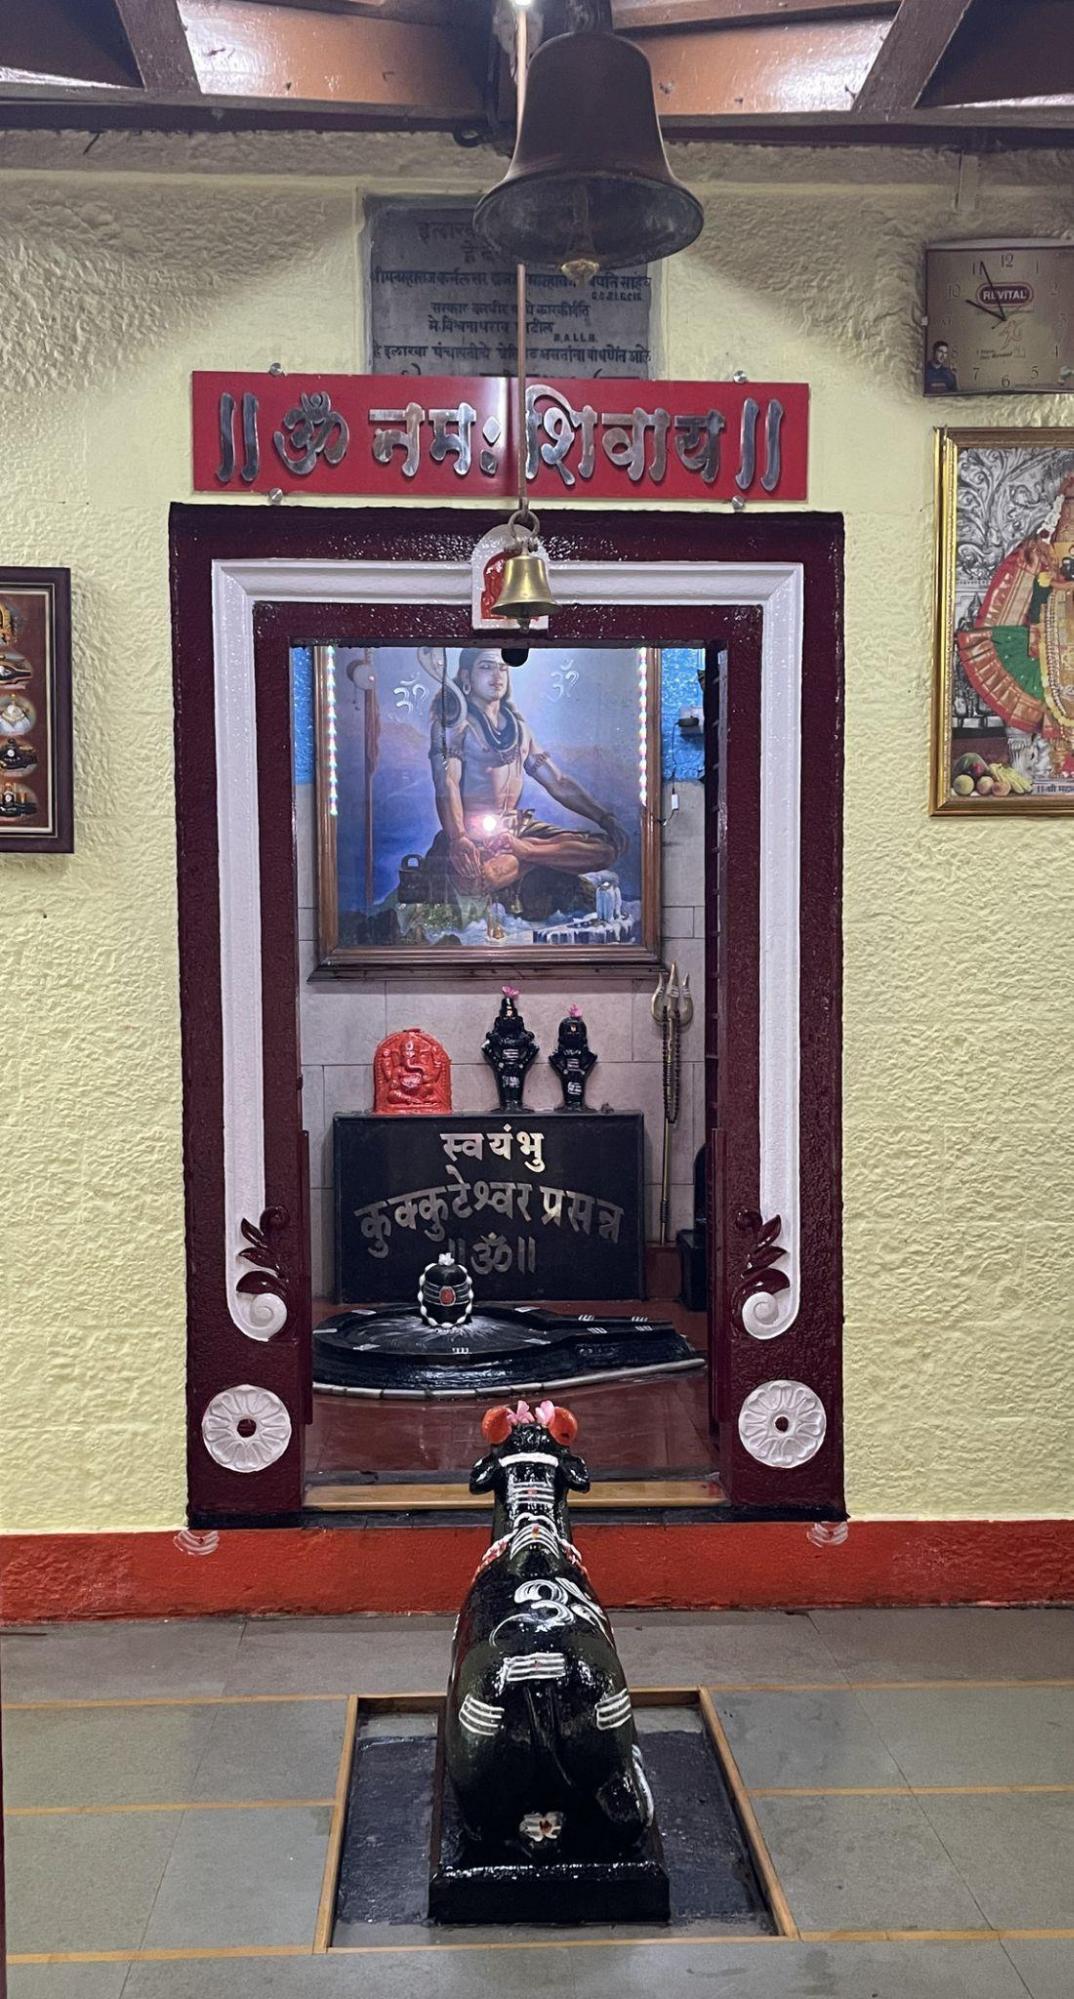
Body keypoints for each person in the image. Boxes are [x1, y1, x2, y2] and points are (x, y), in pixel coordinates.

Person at [425, 648, 628, 920]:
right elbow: (446, 783)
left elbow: (558, 782)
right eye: (486, 667)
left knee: (605, 851)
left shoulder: (518, 729)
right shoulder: (454, 726)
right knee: (479, 879)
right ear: (466, 676)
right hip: (476, 834)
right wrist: (458, 837)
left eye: (503, 668)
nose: (496, 675)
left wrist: (604, 817)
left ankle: (527, 851)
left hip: (519, 829)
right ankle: (538, 857)